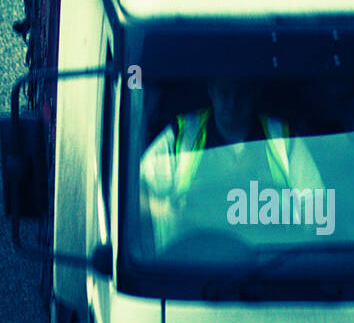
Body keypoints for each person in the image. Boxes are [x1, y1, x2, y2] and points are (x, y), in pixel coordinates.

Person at [139, 77, 325, 247]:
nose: (232, 103)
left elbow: (315, 200)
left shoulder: (282, 137)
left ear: (255, 93)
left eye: (241, 94)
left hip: (271, 266)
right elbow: (136, 191)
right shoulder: (182, 134)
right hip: (193, 265)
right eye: (224, 92)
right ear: (211, 90)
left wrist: (304, 245)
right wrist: (164, 209)